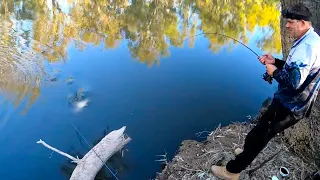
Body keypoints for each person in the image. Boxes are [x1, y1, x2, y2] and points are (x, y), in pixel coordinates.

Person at [211, 3, 320, 180]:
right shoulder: (310, 39)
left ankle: (232, 171)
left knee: (260, 135)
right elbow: (296, 72)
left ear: (302, 22)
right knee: (259, 131)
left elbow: (294, 82)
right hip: (288, 101)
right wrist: (275, 61)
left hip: (290, 106)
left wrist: (273, 71)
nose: (287, 26)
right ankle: (246, 151)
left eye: (290, 22)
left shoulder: (308, 47)